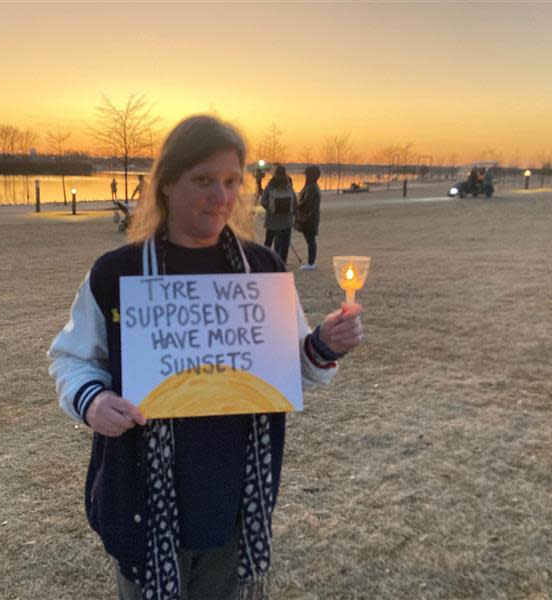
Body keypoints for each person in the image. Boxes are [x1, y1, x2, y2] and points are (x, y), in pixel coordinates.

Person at [47, 115, 363, 600]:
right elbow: (72, 359)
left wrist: (323, 344)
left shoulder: (262, 270)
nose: (221, 196)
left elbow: (293, 369)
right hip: (143, 511)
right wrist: (92, 402)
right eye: (204, 180)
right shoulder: (118, 273)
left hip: (232, 512)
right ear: (168, 183)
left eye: (232, 182)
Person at [260, 164, 296, 264]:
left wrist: (270, 209)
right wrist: (292, 213)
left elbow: (263, 201)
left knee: (268, 241)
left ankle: (265, 260)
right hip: (286, 221)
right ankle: (282, 262)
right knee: (284, 244)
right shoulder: (288, 186)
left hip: (272, 220)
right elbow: (294, 202)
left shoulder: (270, 186)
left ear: (275, 174)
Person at [295, 165, 322, 271]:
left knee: (311, 240)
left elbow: (307, 204)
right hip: (310, 218)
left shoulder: (312, 188)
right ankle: (311, 262)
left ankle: (311, 263)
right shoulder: (311, 187)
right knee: (310, 239)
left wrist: (296, 206)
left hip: (310, 219)